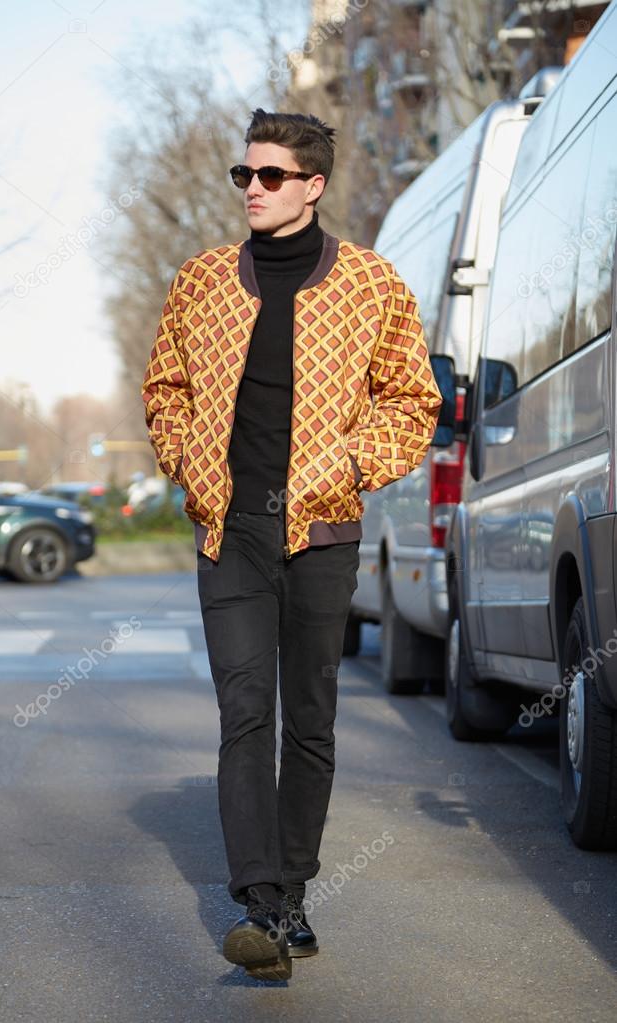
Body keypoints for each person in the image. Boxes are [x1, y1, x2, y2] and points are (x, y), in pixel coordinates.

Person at [141, 108, 443, 981]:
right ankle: (261, 904)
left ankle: (295, 895)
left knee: (310, 718)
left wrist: (346, 463)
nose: (253, 190)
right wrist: (189, 463)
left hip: (322, 527)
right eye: (246, 175)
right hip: (228, 527)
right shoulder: (201, 280)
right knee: (246, 711)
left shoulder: (373, 284)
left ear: (312, 185)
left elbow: (411, 401)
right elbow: (164, 387)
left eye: (271, 176)